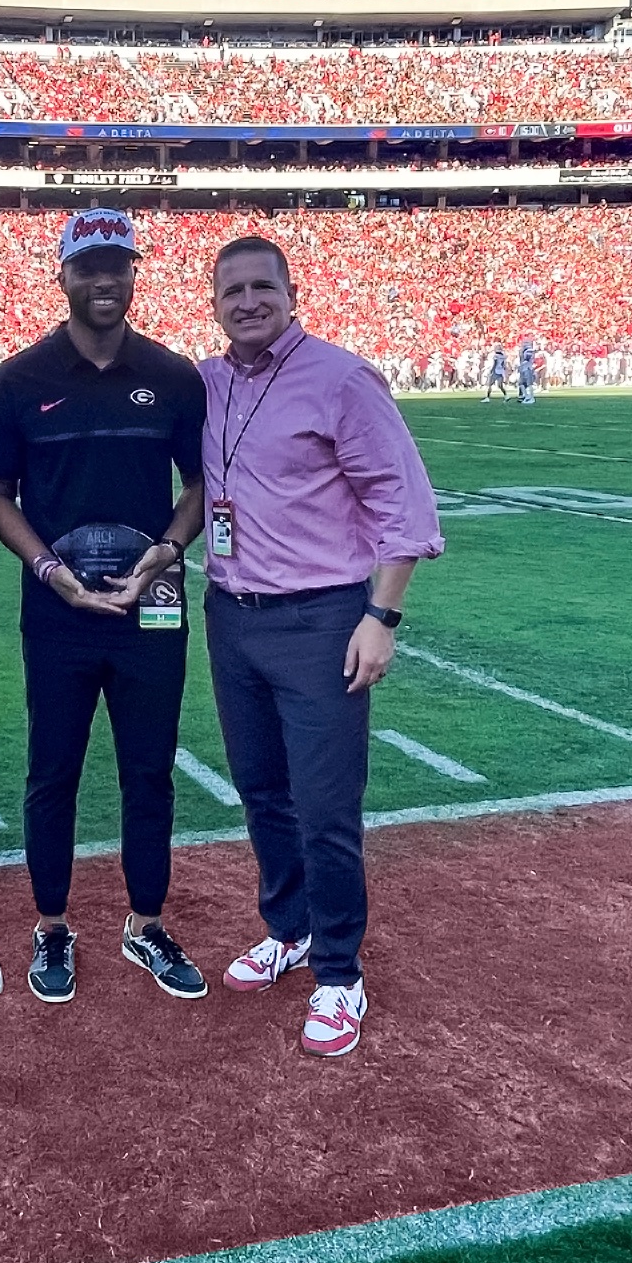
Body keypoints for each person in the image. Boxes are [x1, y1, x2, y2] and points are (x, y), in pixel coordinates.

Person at [199, 234, 443, 1058]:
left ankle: (340, 972)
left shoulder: (342, 377)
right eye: (232, 290)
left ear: (292, 291)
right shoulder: (209, 381)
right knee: (262, 791)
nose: (248, 302)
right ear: (215, 302)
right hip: (232, 613)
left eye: (262, 286)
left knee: (326, 807)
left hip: (321, 619)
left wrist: (383, 617)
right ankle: (290, 927)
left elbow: (404, 503)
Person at [0, 208, 208, 1005]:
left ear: (134, 273)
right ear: (63, 275)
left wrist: (168, 553)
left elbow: (201, 486)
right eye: (88, 265)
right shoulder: (18, 379)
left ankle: (145, 924)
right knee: (53, 773)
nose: (103, 279)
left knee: (150, 772)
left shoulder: (176, 377)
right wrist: (47, 569)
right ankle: (51, 928)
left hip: (155, 603)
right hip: (60, 610)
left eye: (117, 264)